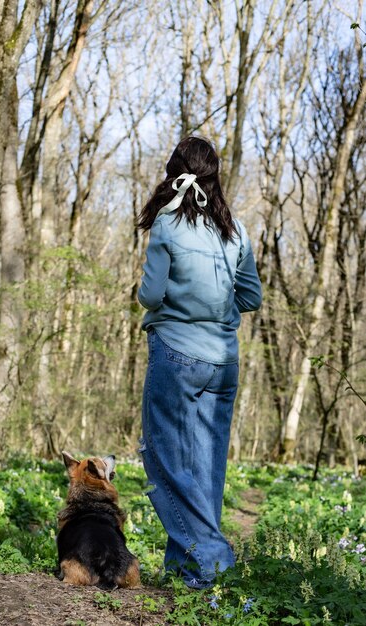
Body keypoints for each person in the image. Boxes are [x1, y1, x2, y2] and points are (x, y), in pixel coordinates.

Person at [137, 136, 262, 589]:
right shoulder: (235, 230)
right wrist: (217, 306)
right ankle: (185, 574)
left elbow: (150, 295)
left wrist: (169, 301)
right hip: (223, 360)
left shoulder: (167, 224)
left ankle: (212, 563)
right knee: (206, 468)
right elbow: (251, 296)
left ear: (174, 173)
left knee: (162, 459)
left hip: (176, 352)